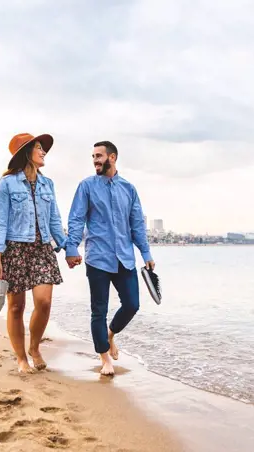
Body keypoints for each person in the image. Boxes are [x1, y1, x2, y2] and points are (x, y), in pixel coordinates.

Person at [65, 140, 154, 376]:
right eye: (93, 156)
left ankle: (110, 334)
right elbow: (76, 219)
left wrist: (146, 253)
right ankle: (105, 358)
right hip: (98, 258)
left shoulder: (129, 189)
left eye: (99, 156)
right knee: (98, 311)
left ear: (112, 157)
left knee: (132, 305)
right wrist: (72, 248)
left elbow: (136, 224)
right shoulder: (86, 186)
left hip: (125, 258)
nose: (95, 160)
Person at [0, 132, 66, 373]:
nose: (43, 152)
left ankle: (35, 346)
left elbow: (55, 220)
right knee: (16, 307)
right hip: (15, 249)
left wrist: (68, 248)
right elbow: (0, 222)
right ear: (26, 153)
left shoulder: (48, 184)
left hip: (41, 250)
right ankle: (21, 358)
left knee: (44, 302)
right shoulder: (6, 183)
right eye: (39, 148)